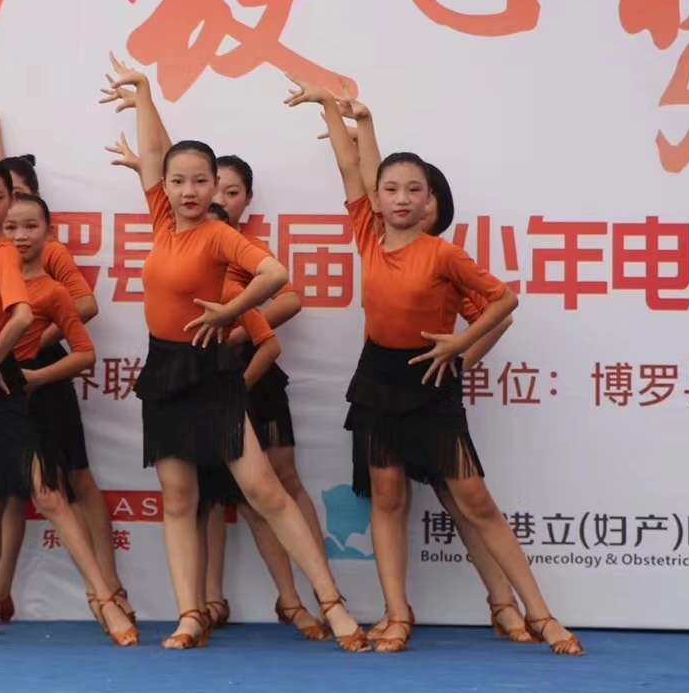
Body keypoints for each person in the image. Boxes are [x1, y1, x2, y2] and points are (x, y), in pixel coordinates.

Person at [287, 78, 583, 655]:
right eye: (391, 190)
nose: (401, 198)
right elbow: (355, 169)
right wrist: (340, 112)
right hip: (378, 379)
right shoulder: (368, 234)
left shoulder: (444, 254)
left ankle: (542, 614)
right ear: (378, 200)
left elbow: (503, 300)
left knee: (475, 500)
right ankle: (397, 615)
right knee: (387, 497)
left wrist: (459, 347)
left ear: (429, 203)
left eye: (414, 191)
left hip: (431, 383)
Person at [99, 54, 369, 651]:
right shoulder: (163, 222)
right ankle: (190, 615)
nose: (188, 190)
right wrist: (145, 91)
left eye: (201, 181)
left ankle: (332, 604)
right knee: (179, 498)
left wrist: (229, 313)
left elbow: (275, 275)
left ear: (213, 186)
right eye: (178, 181)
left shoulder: (221, 234)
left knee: (265, 491)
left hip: (211, 373)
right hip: (164, 370)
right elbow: (156, 152)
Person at [0, 61, 138, 646]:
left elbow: (22, 316)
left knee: (47, 492)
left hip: (0, 375)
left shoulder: (4, 256)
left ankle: (107, 600)